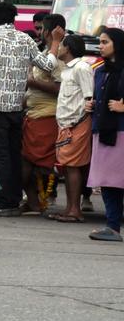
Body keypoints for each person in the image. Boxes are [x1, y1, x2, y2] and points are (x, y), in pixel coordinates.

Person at [0, 2, 56, 216]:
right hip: (17, 106)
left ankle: (3, 201)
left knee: (0, 155)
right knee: (14, 154)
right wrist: (55, 44)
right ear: (14, 18)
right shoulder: (26, 39)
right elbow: (48, 65)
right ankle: (12, 199)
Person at [21, 14, 65, 214]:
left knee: (43, 166)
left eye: (41, 29)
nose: (38, 33)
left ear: (48, 32)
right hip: (33, 116)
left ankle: (48, 201)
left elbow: (59, 88)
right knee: (25, 165)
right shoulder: (46, 53)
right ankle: (34, 202)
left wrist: (33, 82)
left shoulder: (61, 55)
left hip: (47, 118)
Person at [52, 35, 94, 223]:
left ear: (67, 48)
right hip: (66, 125)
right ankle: (70, 209)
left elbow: (89, 100)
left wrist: (77, 124)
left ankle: (75, 210)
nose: (58, 48)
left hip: (76, 125)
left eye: (60, 45)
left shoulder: (82, 68)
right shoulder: (68, 70)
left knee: (74, 167)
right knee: (68, 168)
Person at [87, 28, 124, 241]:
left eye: (105, 42)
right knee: (109, 182)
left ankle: (113, 226)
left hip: (120, 132)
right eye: (100, 42)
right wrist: (93, 104)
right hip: (104, 131)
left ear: (117, 44)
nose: (100, 46)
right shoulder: (101, 70)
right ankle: (112, 227)